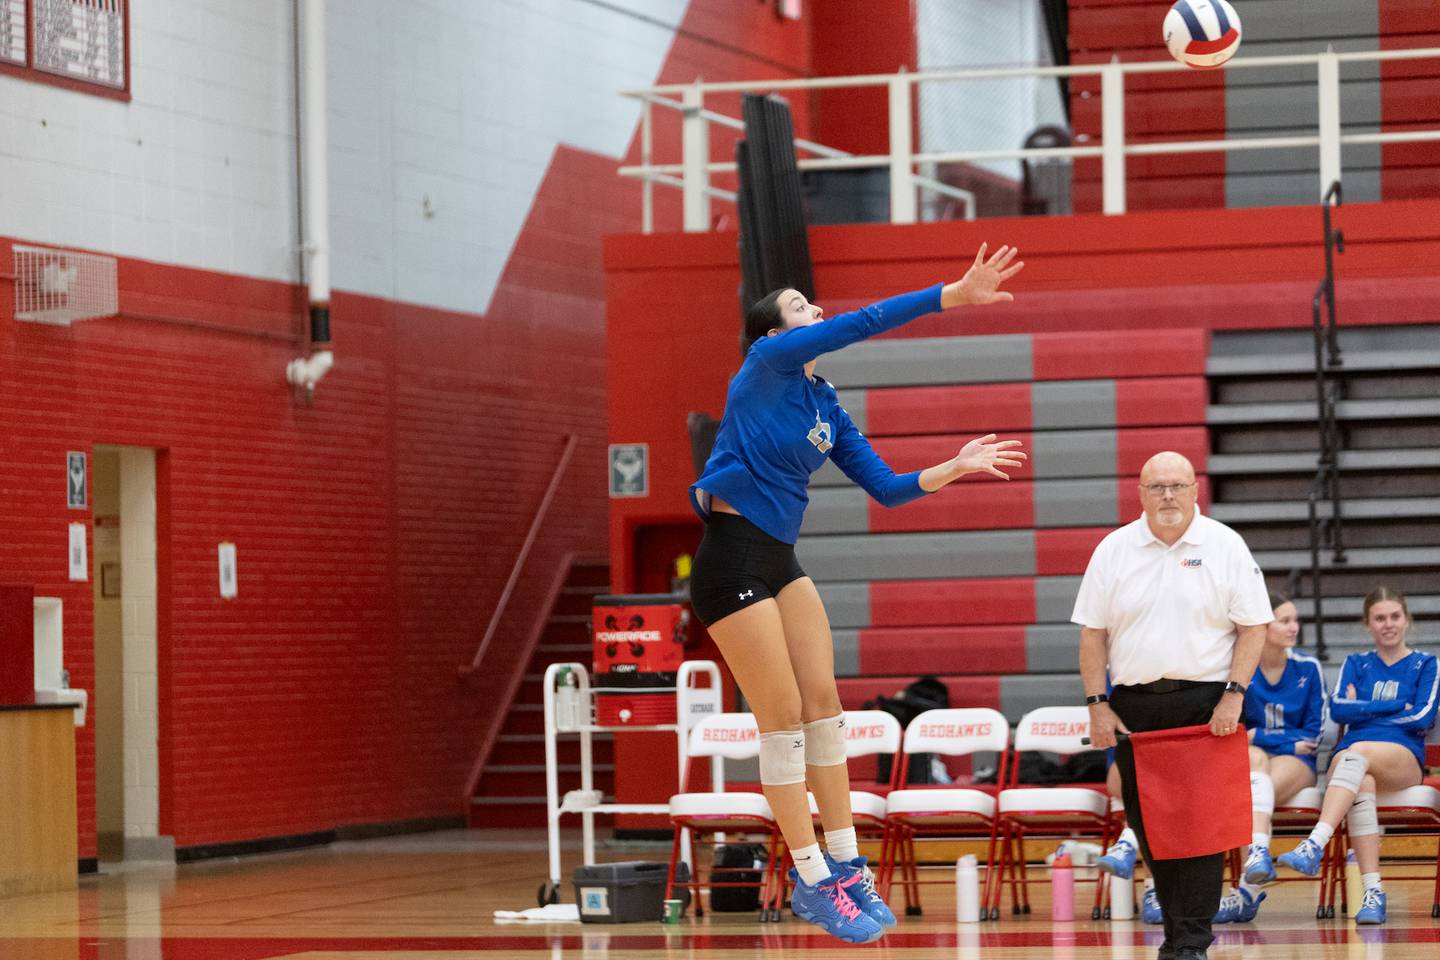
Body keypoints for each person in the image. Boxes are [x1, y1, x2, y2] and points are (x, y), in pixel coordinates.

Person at [687, 245, 1026, 943]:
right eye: (799, 306)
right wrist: (951, 297)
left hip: (778, 558)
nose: (815, 310)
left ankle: (845, 866)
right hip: (729, 559)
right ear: (776, 334)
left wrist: (955, 468)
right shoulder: (768, 364)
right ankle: (810, 879)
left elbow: (889, 490)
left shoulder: (824, 402)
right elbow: (863, 322)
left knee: (825, 710)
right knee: (779, 717)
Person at [1076, 451, 1272, 960]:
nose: (1167, 496)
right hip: (1134, 707)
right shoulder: (1114, 549)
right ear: (1140, 493)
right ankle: (1174, 939)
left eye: (1177, 486)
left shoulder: (1225, 545)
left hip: (1206, 707)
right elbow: (1093, 635)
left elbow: (1255, 627)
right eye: (1157, 487)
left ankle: (1192, 944)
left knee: (1202, 830)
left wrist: (1234, 694)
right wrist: (1097, 703)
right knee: (1151, 827)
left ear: (1195, 490)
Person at [1276, 586, 1438, 924]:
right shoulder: (1355, 663)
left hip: (1401, 758)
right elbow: (1338, 709)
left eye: (1395, 616)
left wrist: (1363, 709)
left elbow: (1422, 716)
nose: (1388, 624)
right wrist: (1395, 706)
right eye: (1379, 618)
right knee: (1359, 775)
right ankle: (1372, 893)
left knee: (1357, 750)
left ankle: (1314, 844)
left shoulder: (1426, 664)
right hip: (1351, 759)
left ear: (1407, 620)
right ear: (1368, 624)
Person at [1208, 591, 1327, 922]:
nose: (1294, 627)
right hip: (1255, 758)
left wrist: (1266, 738)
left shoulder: (1309, 667)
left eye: (1295, 620)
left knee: (1255, 790)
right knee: (1255, 770)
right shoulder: (1241, 669)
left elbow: (1314, 735)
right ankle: (1256, 862)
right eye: (1284, 620)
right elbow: (1234, 730)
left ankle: (1248, 887)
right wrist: (1273, 739)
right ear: (1263, 626)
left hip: (1296, 762)